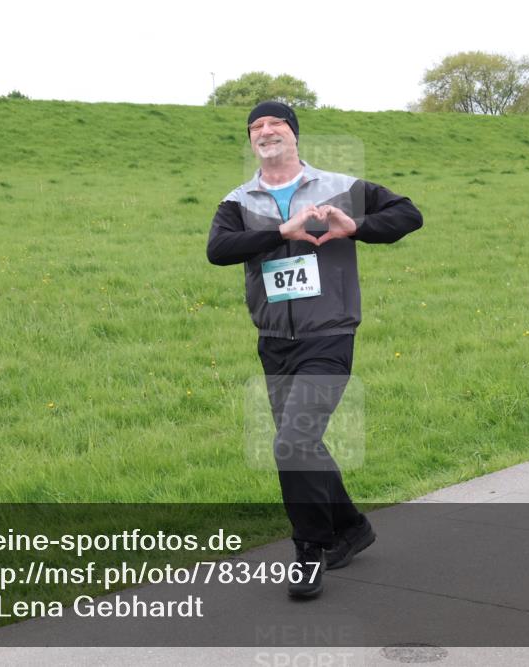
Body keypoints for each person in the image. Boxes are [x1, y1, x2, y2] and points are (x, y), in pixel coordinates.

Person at [206, 101, 423, 598]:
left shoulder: (341, 188)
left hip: (328, 333)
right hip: (274, 342)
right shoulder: (237, 200)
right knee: (301, 441)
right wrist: (280, 232)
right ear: (251, 141)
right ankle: (350, 528)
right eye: (256, 127)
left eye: (275, 123)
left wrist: (358, 227)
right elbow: (218, 250)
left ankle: (309, 551)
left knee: (291, 443)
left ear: (294, 134)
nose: (265, 131)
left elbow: (409, 214)